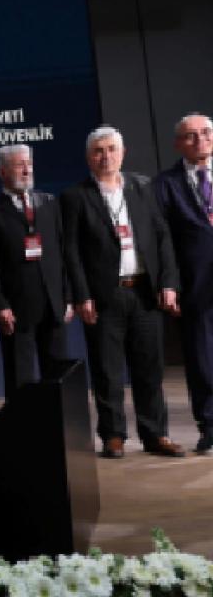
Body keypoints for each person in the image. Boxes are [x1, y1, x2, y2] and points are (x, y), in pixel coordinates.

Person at [62, 126, 184, 459]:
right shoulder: (75, 196)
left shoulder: (143, 187)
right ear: (89, 157)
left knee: (149, 368)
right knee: (107, 370)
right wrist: (81, 295)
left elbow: (162, 238)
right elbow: (71, 251)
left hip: (144, 291)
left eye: (112, 149)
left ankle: (155, 434)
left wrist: (168, 283)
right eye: (98, 151)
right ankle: (113, 435)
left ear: (123, 153)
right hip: (104, 296)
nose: (106, 156)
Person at [0, 144, 73, 396]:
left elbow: (63, 253)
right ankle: (25, 423)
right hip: (17, 310)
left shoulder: (49, 204)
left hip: (53, 305)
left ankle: (57, 423)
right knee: (20, 380)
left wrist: (67, 297)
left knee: (58, 377)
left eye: (29, 164)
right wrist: (0, 305)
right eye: (19, 165)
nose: (26, 170)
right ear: (2, 172)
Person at [154, 113, 213, 453]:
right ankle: (210, 426)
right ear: (178, 143)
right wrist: (170, 284)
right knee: (202, 359)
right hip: (195, 285)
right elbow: (162, 241)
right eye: (191, 135)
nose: (200, 140)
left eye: (206, 132)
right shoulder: (165, 185)